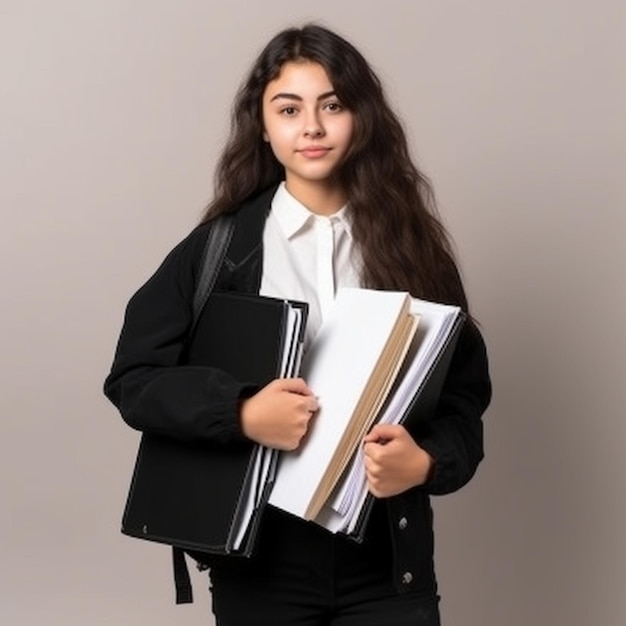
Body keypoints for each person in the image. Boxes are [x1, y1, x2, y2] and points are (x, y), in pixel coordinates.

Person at [104, 23, 491, 626]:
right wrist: (239, 412)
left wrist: (427, 462)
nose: (311, 126)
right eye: (289, 109)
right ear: (262, 125)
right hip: (261, 563)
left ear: (361, 116)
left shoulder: (415, 252)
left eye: (332, 105)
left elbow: (463, 401)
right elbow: (134, 379)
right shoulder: (220, 250)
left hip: (388, 563)